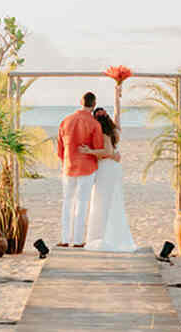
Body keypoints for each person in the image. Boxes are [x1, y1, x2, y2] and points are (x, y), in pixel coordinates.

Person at [56, 92, 118, 247]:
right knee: (82, 203)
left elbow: (60, 149)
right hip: (87, 168)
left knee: (67, 203)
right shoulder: (94, 124)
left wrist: (66, 161)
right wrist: (112, 155)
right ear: (94, 104)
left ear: (80, 102)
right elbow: (98, 149)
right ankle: (77, 241)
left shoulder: (66, 120)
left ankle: (64, 239)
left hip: (68, 167)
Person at [80, 107, 137, 252]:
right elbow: (118, 118)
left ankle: (102, 237)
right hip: (114, 168)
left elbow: (108, 152)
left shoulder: (104, 131)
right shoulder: (114, 130)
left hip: (106, 168)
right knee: (113, 201)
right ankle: (111, 236)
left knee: (101, 201)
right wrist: (117, 97)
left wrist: (90, 151)